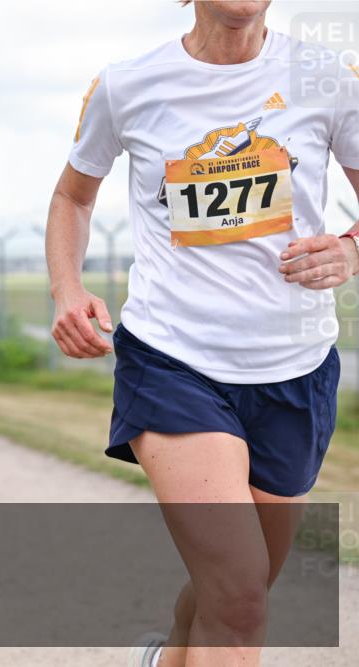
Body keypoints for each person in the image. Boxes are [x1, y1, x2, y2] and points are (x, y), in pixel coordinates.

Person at [45, 2, 358, 666]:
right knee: (241, 595)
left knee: (233, 590)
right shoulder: (127, 85)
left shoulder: (327, 77)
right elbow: (72, 196)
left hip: (295, 370)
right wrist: (67, 290)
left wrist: (352, 250)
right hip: (173, 363)